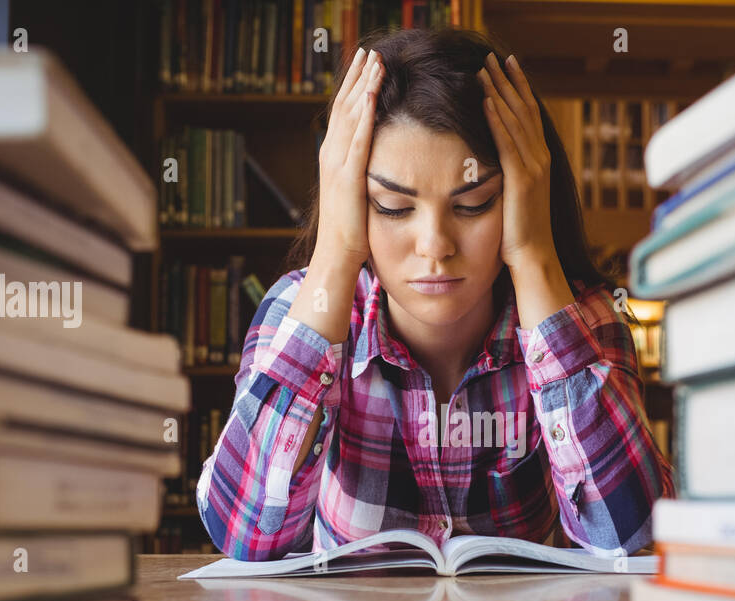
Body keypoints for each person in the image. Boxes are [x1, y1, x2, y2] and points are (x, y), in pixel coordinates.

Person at [198, 27, 674, 561]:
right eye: (394, 207)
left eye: (473, 204)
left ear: (522, 196)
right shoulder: (299, 309)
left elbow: (632, 540)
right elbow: (244, 533)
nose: (435, 246)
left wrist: (536, 257)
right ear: (354, 201)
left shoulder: (581, 318)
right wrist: (334, 252)